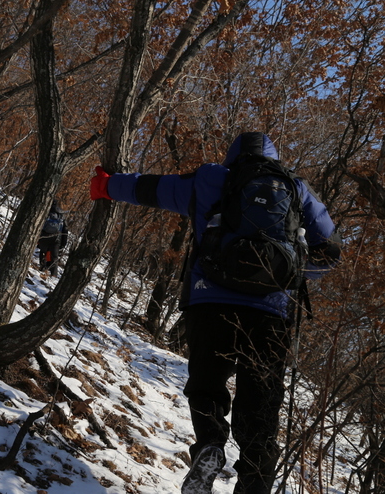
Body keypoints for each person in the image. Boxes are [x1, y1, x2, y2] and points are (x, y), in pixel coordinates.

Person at [89, 132, 341, 494]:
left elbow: (151, 189)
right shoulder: (296, 190)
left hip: (210, 302)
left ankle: (209, 443)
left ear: (232, 155)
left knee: (206, 384)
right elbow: (329, 252)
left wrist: (107, 185)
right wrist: (291, 269)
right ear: (274, 156)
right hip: (271, 313)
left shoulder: (210, 179)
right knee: (262, 404)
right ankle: (254, 481)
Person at [38, 200, 68, 276]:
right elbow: (65, 230)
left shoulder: (45, 212)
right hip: (56, 238)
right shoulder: (61, 215)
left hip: (44, 235)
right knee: (54, 257)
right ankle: (53, 274)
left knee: (43, 251)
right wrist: (63, 243)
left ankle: (42, 268)